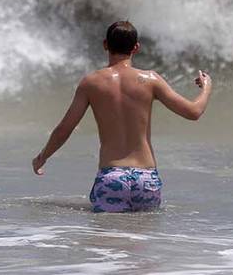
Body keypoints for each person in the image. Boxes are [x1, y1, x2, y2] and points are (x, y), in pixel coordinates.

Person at [31, 20, 212, 212]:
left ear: (105, 45)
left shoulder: (91, 83)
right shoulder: (151, 80)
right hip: (146, 179)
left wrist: (42, 157)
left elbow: (64, 129)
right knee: (141, 238)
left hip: (111, 178)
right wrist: (207, 86)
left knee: (108, 239)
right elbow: (194, 112)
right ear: (136, 48)